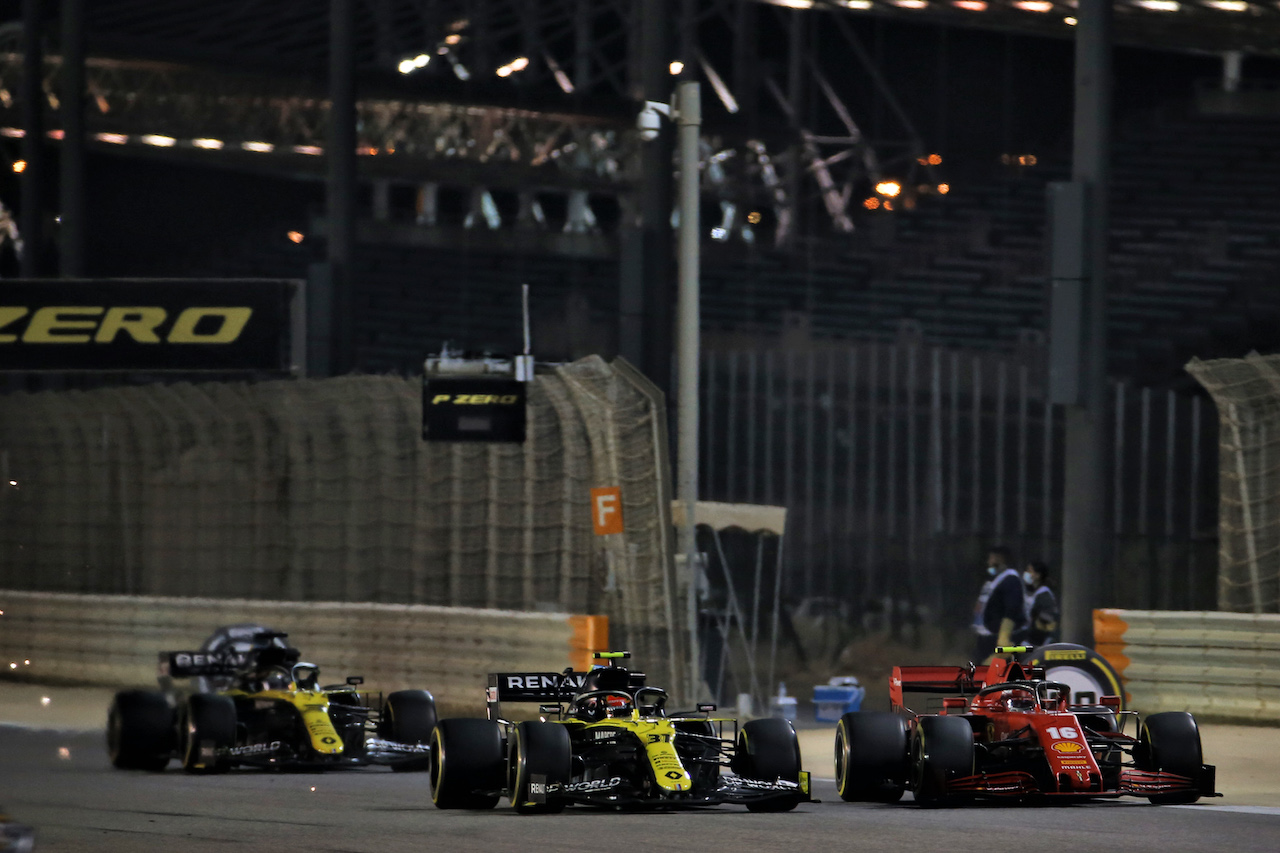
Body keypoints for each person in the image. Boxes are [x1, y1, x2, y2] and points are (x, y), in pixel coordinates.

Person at [971, 546, 1026, 661]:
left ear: (1000, 559)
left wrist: (1004, 637)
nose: (988, 562)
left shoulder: (1010, 579)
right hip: (985, 638)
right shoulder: (995, 580)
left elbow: (1012, 609)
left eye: (991, 558)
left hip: (997, 639)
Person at [1021, 561, 1059, 646]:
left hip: (1039, 642)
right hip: (1031, 640)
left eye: (1029, 571)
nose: (1026, 573)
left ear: (1038, 575)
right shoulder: (1033, 592)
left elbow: (1047, 620)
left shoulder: (1044, 594)